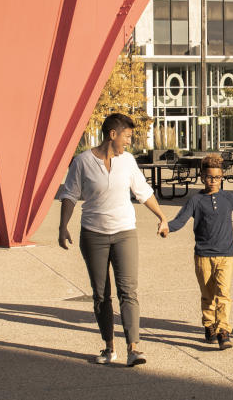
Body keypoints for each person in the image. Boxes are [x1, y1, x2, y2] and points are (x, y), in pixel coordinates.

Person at [57, 112, 168, 367]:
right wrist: (62, 227)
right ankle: (109, 346)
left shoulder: (127, 161)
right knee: (101, 294)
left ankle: (134, 348)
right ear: (113, 134)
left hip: (124, 231)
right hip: (93, 234)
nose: (130, 141)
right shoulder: (82, 162)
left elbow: (143, 192)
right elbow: (69, 195)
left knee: (128, 290)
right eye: (127, 136)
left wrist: (161, 216)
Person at [163, 153, 233, 350]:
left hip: (226, 254)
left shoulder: (228, 197)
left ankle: (224, 330)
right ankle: (209, 325)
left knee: (223, 293)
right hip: (203, 255)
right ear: (202, 177)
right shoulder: (196, 200)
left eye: (217, 177)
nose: (213, 181)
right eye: (209, 177)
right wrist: (167, 227)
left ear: (222, 177)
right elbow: (179, 221)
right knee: (208, 294)